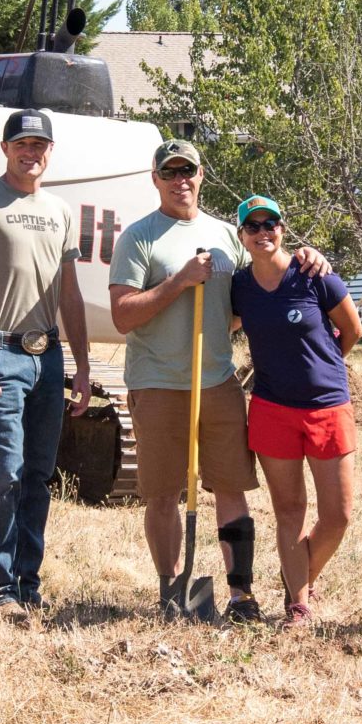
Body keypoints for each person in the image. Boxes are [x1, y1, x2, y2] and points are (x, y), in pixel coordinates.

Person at [108, 140, 277, 620]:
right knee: (163, 493)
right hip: (158, 384)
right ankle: (170, 590)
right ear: (156, 179)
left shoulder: (228, 235)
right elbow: (122, 315)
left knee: (230, 487)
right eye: (170, 172)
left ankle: (241, 595)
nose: (180, 180)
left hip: (217, 382)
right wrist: (179, 281)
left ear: (202, 175)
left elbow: (253, 300)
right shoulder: (140, 238)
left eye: (189, 171)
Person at [0, 108, 91, 615]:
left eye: (40, 146)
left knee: (38, 472)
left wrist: (84, 366)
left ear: (50, 152)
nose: (31, 153)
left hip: (47, 357)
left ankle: (29, 582)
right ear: (6, 149)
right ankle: (0, 587)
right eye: (22, 144)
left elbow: (69, 294)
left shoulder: (61, 211)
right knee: (3, 470)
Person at [229, 194, 362, 630]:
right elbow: (223, 322)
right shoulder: (240, 287)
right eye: (254, 226)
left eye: (271, 224)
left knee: (338, 514)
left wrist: (322, 365)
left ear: (283, 229)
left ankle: (299, 579)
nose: (263, 232)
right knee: (289, 511)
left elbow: (352, 329)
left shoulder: (313, 274)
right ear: (242, 236)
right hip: (271, 408)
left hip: (327, 408)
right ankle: (299, 605)